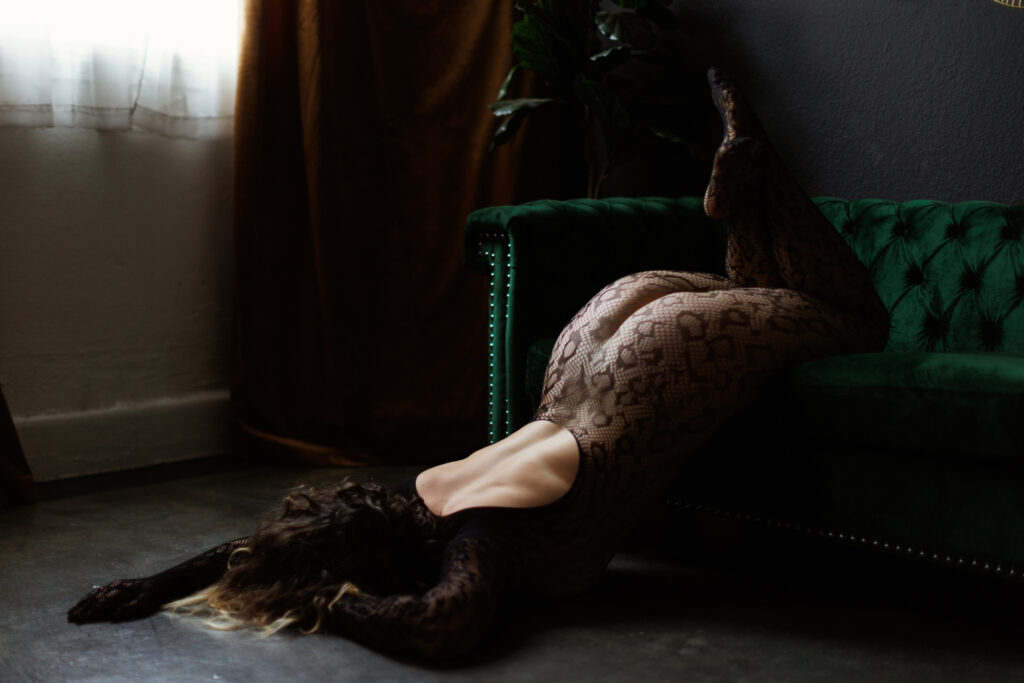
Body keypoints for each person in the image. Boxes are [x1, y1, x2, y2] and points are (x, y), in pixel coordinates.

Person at [67, 69, 889, 661]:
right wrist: (151, 582)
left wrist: (334, 605)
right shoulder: (418, 499)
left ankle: (753, 170)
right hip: (597, 346)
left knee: (852, 317)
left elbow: (440, 624)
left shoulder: (470, 529)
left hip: (642, 361)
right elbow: (288, 546)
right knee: (782, 293)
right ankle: (742, 188)